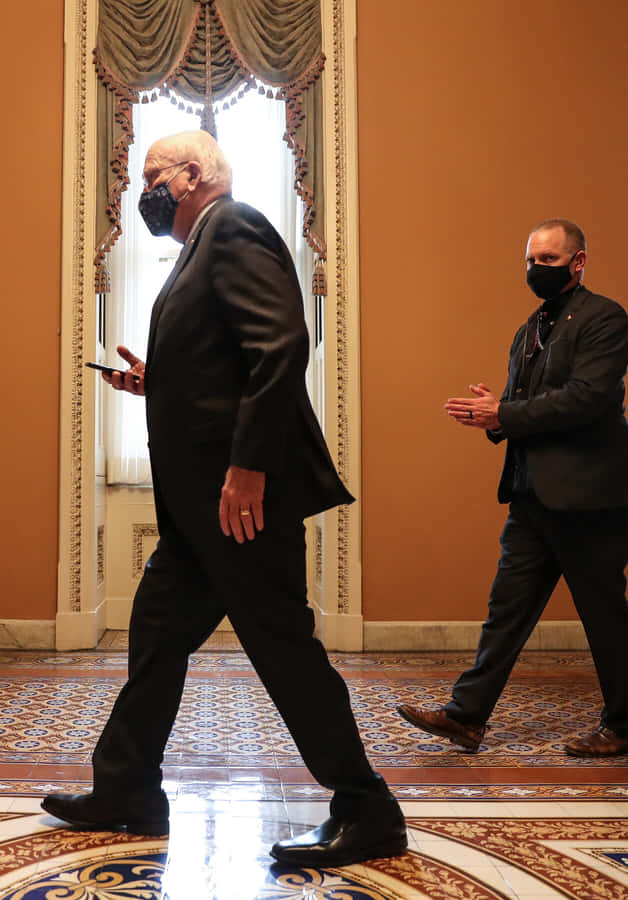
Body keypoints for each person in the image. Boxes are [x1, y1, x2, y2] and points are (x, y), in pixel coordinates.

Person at [42, 130, 407, 867]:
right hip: (199, 516)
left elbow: (280, 347)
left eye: (154, 175)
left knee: (284, 650)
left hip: (241, 504)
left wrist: (249, 469)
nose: (144, 189)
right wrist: (159, 381)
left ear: (194, 174)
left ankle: (368, 809)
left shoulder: (233, 225)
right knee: (155, 638)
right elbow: (228, 366)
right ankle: (127, 791)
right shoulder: (198, 247)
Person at [398, 218, 628, 759]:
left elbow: (587, 400)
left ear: (578, 262)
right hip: (530, 496)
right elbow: (526, 410)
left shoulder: (606, 319)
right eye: (530, 260)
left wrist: (502, 410)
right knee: (506, 611)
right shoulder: (529, 330)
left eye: (547, 261)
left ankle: (623, 724)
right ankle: (466, 717)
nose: (535, 269)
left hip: (590, 499)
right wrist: (494, 416)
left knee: (604, 617)